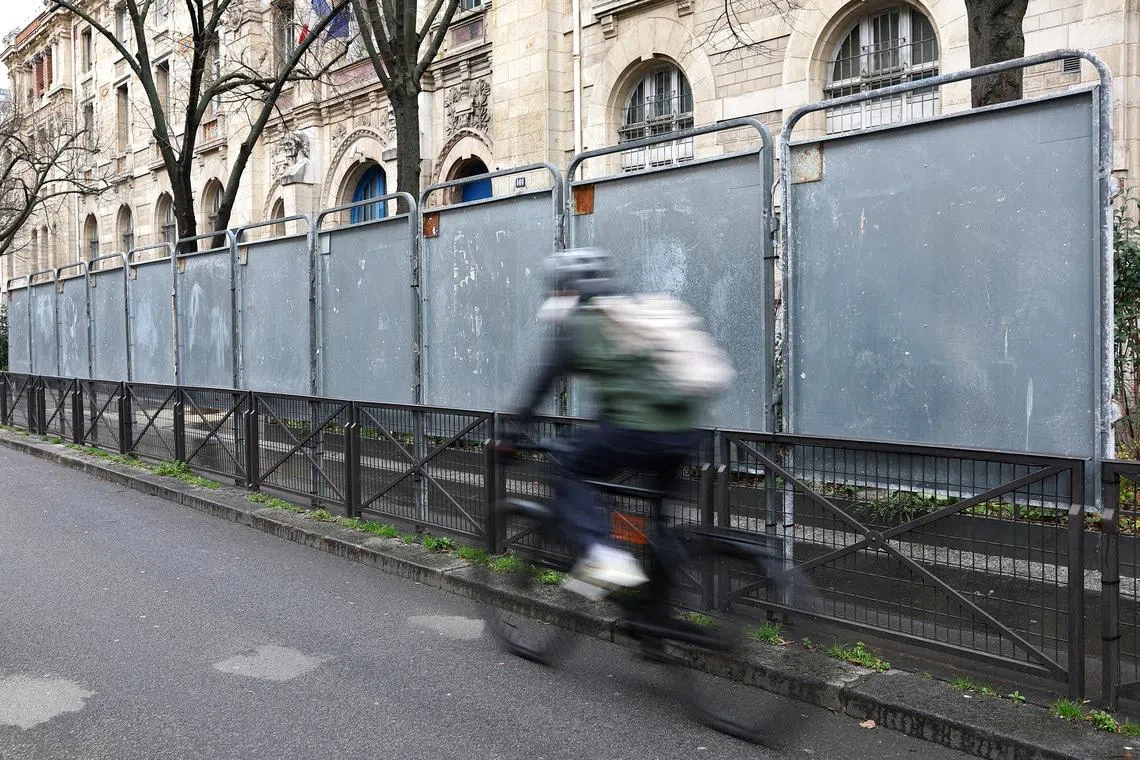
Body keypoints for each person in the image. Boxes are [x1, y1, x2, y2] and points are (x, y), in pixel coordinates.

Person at [510, 247, 705, 600]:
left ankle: (603, 554)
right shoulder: (630, 314)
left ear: (567, 287)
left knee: (571, 471)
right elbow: (627, 388)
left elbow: (541, 384)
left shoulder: (579, 324)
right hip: (686, 432)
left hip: (637, 430)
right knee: (659, 522)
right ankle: (656, 624)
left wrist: (511, 432)